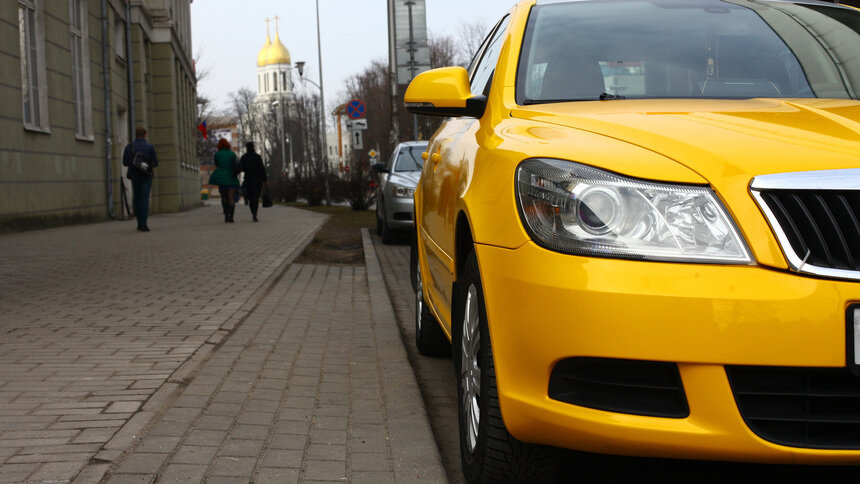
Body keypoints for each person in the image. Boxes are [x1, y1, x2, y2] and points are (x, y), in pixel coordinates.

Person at [122, 127, 158, 232]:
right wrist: (146, 164)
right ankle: (144, 224)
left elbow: (125, 162)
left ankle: (139, 222)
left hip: (134, 176)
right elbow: (155, 163)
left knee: (137, 198)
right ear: (145, 135)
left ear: (136, 135)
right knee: (144, 198)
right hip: (146, 175)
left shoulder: (130, 147)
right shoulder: (150, 147)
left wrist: (135, 164)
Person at [208, 138, 240, 222]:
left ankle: (226, 215)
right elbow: (235, 164)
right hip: (231, 177)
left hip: (221, 178)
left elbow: (216, 164)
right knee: (231, 197)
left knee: (224, 197)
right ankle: (231, 216)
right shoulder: (232, 154)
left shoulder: (217, 154)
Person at [238, 142, 268, 222]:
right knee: (255, 197)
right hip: (257, 180)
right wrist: (265, 179)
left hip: (248, 180)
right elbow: (262, 169)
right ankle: (255, 213)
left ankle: (253, 212)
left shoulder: (244, 157)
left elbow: (241, 168)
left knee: (251, 198)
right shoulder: (257, 157)